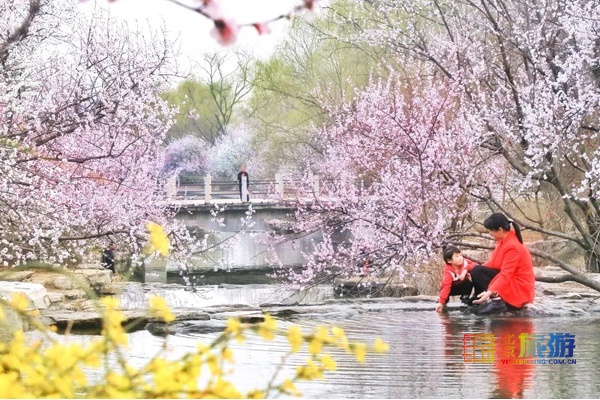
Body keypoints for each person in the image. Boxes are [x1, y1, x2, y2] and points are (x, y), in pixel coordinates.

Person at [471, 213, 535, 314]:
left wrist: (490, 291)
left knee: (477, 271)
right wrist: (469, 268)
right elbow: (493, 263)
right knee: (476, 270)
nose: (489, 233)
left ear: (500, 230)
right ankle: (478, 298)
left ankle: (498, 302)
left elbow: (506, 274)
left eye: (490, 231)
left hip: (519, 290)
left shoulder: (512, 246)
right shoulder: (503, 241)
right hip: (512, 282)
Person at [435, 245, 476, 312]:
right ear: (449, 260)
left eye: (460, 255)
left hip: (462, 286)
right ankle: (445, 300)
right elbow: (446, 286)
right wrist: (441, 302)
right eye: (457, 256)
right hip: (452, 288)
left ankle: (465, 298)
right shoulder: (448, 271)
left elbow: (476, 265)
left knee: (468, 282)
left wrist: (466, 270)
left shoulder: (465, 263)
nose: (460, 258)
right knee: (445, 287)